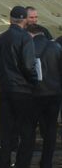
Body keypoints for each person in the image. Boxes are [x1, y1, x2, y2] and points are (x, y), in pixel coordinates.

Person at [0, 6, 38, 168]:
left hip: (6, 90)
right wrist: (33, 81)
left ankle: (4, 164)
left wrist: (2, 77)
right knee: (27, 132)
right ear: (24, 20)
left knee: (6, 133)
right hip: (23, 90)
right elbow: (29, 66)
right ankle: (22, 164)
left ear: (10, 19)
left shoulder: (0, 38)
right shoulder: (26, 38)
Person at [28, 24, 62, 168]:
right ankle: (47, 161)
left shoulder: (28, 47)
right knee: (51, 128)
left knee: (29, 128)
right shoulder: (56, 47)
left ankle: (26, 160)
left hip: (34, 94)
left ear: (30, 34)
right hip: (54, 93)